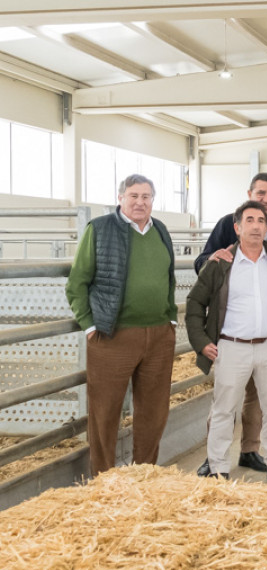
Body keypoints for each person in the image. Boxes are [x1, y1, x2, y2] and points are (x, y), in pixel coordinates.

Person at [185, 200, 267, 485]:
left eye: (261, 221)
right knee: (224, 407)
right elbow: (194, 304)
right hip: (231, 346)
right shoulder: (221, 264)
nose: (255, 225)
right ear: (237, 227)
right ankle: (218, 466)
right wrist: (202, 342)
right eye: (248, 220)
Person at [65, 174, 177, 477]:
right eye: (134, 196)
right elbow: (77, 284)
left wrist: (170, 318)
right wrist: (90, 326)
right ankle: (104, 478)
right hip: (112, 334)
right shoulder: (99, 229)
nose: (140, 202)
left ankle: (145, 473)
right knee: (105, 410)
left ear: (153, 200)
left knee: (154, 411)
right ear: (120, 198)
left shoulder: (161, 231)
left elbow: (168, 278)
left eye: (146, 196)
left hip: (158, 335)